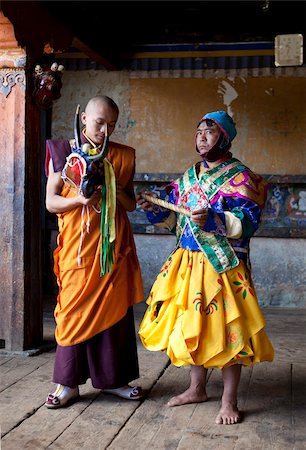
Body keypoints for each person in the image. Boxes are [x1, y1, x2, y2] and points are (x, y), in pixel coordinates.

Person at [136, 111, 274, 425]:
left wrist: (214, 219)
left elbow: (248, 222)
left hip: (223, 265)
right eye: (198, 131)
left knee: (229, 333)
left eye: (209, 132)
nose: (201, 137)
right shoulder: (187, 178)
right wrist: (155, 210)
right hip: (187, 262)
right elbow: (175, 221)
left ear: (224, 138)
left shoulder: (241, 177)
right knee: (192, 328)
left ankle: (229, 400)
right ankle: (196, 388)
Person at [44, 95, 144, 408]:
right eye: (99, 122)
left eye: (111, 125)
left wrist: (106, 187)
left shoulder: (122, 156)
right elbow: (51, 203)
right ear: (84, 117)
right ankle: (67, 384)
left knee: (114, 314)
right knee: (72, 312)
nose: (104, 130)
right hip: (77, 248)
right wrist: (78, 200)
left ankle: (115, 381)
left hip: (111, 249)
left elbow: (130, 203)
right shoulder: (62, 153)